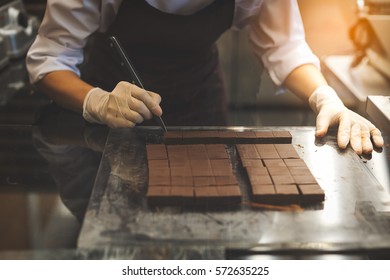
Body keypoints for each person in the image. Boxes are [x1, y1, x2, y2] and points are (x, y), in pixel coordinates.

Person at [26, 0, 383, 155]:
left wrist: (325, 97)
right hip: (109, 108)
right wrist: (97, 102)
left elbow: (284, 46)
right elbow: (48, 60)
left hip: (201, 98)